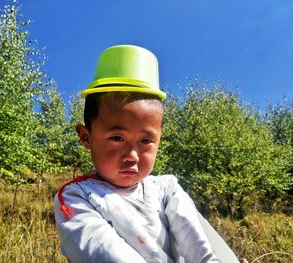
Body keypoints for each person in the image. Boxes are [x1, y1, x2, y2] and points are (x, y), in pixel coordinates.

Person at [54, 45, 239, 263]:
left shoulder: (166, 189)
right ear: (86, 137)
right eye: (117, 138)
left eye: (146, 141)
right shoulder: (77, 197)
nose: (132, 155)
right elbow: (106, 254)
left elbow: (201, 249)